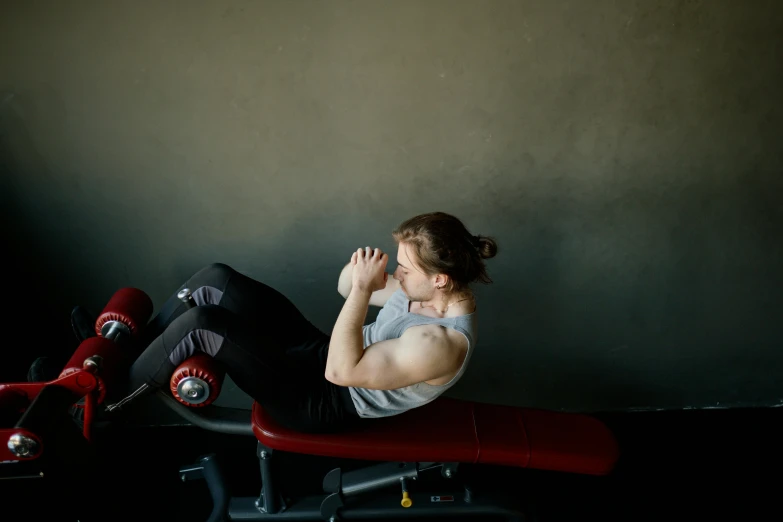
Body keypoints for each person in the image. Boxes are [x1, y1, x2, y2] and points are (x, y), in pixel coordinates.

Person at [109, 211, 497, 433]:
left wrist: (365, 290)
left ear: (440, 279)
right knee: (217, 280)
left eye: (404, 267)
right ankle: (127, 354)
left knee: (204, 324)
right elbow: (347, 287)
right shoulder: (424, 288)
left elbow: (341, 371)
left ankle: (106, 402)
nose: (398, 272)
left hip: (323, 401)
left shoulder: (439, 345)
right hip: (324, 355)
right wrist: (361, 276)